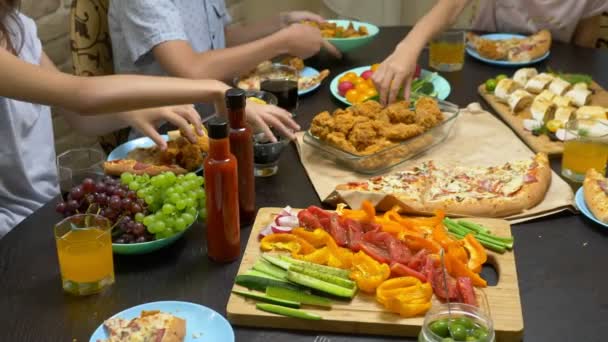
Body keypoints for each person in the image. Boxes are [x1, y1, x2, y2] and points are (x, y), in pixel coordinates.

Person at [0, 3, 296, 236]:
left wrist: (132, 111)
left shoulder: (16, 26)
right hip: (11, 233)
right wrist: (217, 89)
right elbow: (80, 94)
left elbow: (79, 116)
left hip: (49, 210)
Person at [108, 1, 340, 129]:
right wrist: (283, 42)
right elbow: (191, 69)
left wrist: (282, 23)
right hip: (172, 131)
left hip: (226, 113)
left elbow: (219, 38)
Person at [372, 0, 608, 105]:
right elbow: (451, 5)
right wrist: (407, 48)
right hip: (482, 68)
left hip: (551, 69)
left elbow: (584, 43)